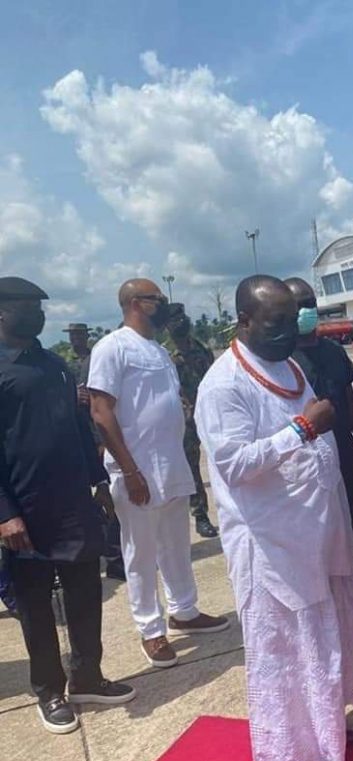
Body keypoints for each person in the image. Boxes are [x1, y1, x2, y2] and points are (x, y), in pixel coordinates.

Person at [195, 275, 353, 761]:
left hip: (312, 532)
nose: (289, 331)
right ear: (244, 322)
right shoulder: (223, 385)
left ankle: (321, 727)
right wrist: (302, 430)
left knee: (320, 635)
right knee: (281, 651)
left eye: (293, 321)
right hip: (269, 545)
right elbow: (235, 465)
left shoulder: (289, 364)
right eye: (277, 323)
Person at [0, 277, 135, 733]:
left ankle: (87, 675)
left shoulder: (55, 365)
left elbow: (79, 429)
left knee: (85, 595)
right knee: (36, 607)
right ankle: (49, 690)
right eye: (27, 306)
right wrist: (5, 514)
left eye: (39, 307)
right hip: (26, 511)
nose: (37, 314)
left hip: (74, 503)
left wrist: (99, 481)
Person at [88, 279, 228, 669]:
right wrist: (129, 470)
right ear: (136, 303)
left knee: (176, 545)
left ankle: (184, 610)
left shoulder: (159, 350)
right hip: (137, 470)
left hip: (171, 463)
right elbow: (101, 411)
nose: (164, 305)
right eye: (158, 299)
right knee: (141, 552)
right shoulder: (112, 347)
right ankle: (150, 629)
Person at [284, 276, 353, 636]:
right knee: (315, 543)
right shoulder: (282, 360)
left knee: (345, 538)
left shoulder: (333, 353)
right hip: (305, 465)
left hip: (343, 456)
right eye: (298, 305)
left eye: (310, 303)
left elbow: (349, 403)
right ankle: (321, 620)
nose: (306, 311)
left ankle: (347, 611)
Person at [60, 324, 127, 583]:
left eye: (79, 334)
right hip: (83, 438)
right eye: (72, 335)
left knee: (109, 498)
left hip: (98, 436)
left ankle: (114, 556)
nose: (76, 338)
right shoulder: (63, 364)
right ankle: (110, 555)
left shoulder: (96, 357)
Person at [162, 303, 219, 539]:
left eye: (182, 317)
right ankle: (201, 514)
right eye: (174, 319)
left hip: (209, 414)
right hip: (183, 421)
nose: (181, 322)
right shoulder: (164, 355)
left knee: (220, 459)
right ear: (167, 326)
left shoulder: (201, 349)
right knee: (191, 466)